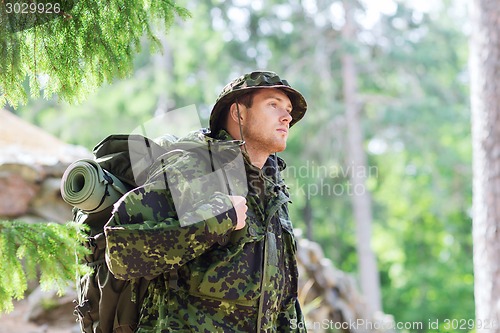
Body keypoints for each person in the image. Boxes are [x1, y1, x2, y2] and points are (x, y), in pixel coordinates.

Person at [104, 70, 308, 332]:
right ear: (238, 113)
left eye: (289, 110)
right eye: (273, 105)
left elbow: (283, 300)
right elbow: (122, 255)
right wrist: (218, 220)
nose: (287, 117)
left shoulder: (272, 192)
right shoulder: (190, 168)